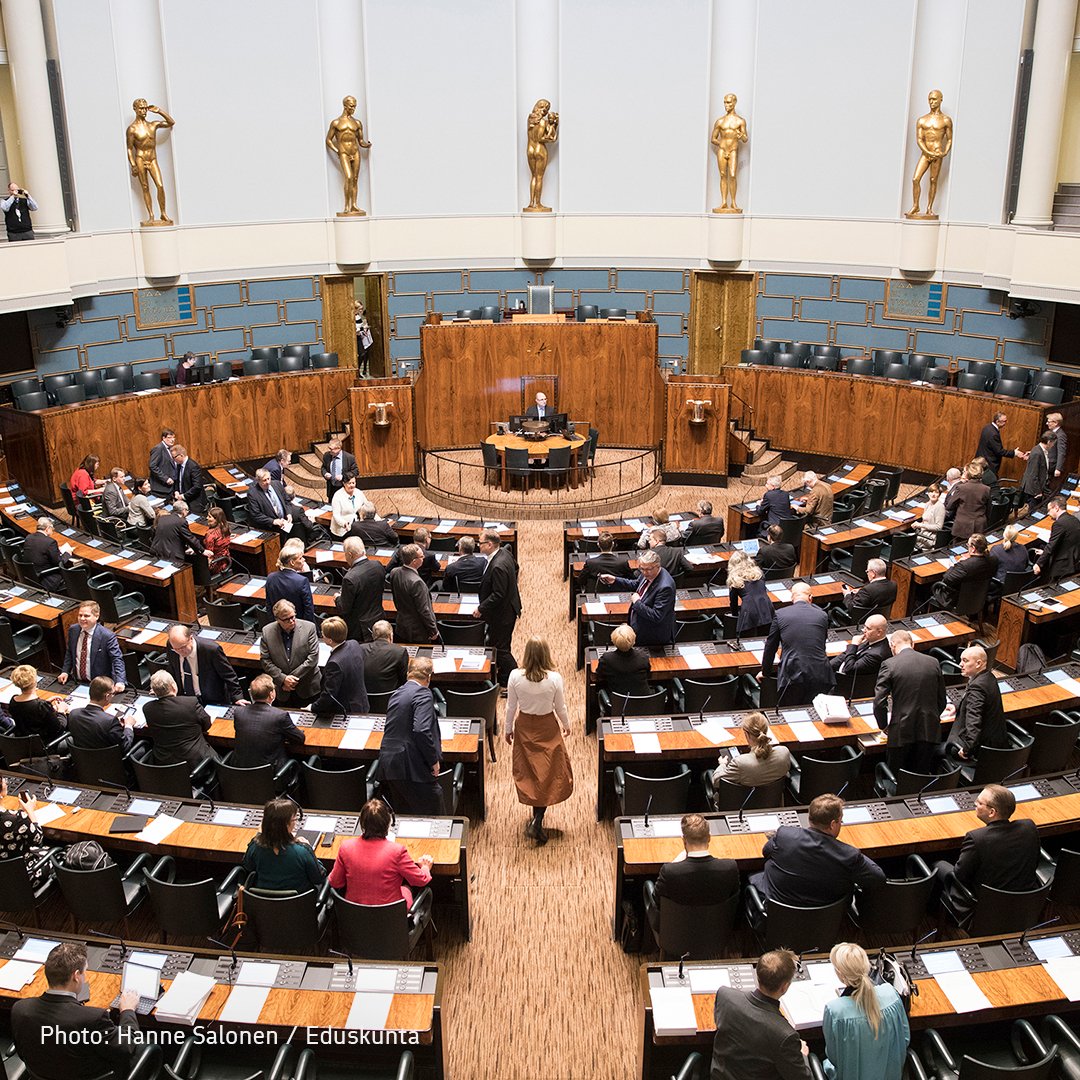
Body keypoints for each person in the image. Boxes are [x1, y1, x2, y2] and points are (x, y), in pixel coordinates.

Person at [12, 941, 142, 1080]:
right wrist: (127, 1010)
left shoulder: (20, 1009)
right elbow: (126, 1046)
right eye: (84, 972)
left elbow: (22, 1053)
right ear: (76, 976)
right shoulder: (93, 1018)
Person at [752, 793, 885, 907]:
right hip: (826, 919)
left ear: (809, 817)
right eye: (840, 821)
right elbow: (878, 878)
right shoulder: (848, 855)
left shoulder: (784, 835)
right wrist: (852, 852)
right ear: (833, 824)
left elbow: (766, 852)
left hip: (780, 912)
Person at [934, 784, 1040, 922]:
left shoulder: (977, 838)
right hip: (1024, 903)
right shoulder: (1029, 826)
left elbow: (960, 875)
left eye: (979, 803)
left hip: (986, 909)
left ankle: (936, 916)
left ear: (992, 812)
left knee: (938, 863)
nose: (975, 804)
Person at [506, 637, 573, 844]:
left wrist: (508, 729)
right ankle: (538, 818)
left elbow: (511, 707)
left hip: (525, 726)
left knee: (530, 772)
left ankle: (537, 818)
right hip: (547, 727)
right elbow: (560, 707)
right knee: (547, 772)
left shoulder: (515, 676)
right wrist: (567, 724)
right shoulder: (554, 678)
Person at [711, 948, 811, 1080]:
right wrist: (803, 1055)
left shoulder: (725, 995)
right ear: (784, 987)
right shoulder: (785, 1035)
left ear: (757, 975)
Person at [822, 942, 910, 1080]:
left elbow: (834, 1057)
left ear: (840, 973)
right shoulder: (891, 993)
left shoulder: (835, 1010)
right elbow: (904, 1038)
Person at [644, 813, 739, 936]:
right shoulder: (730, 867)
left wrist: (675, 864)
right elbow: (734, 900)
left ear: (683, 841)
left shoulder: (670, 872)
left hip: (676, 934)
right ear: (709, 838)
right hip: (715, 931)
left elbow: (657, 901)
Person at [329, 798, 434, 907]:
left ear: (362, 823)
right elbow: (421, 880)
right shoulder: (397, 851)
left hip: (354, 916)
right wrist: (425, 867)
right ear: (387, 823)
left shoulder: (346, 847)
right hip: (390, 918)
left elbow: (335, 882)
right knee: (406, 889)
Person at [873, 629, 946, 774]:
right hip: (929, 730)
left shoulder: (889, 664)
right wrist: (932, 717)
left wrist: (884, 726)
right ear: (912, 644)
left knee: (897, 776)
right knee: (920, 776)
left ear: (892, 645)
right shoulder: (933, 662)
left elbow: (879, 701)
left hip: (901, 731)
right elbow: (941, 699)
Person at [378, 656, 443, 814]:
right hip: (410, 766)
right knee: (434, 813)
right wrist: (433, 760)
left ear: (409, 673)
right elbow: (421, 729)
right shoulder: (423, 693)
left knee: (404, 815)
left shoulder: (397, 693)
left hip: (390, 763)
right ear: (428, 677)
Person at [760, 582, 834, 706]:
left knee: (790, 712)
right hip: (820, 674)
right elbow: (821, 644)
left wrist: (765, 672)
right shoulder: (822, 615)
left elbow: (770, 647)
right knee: (816, 714)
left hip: (792, 675)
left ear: (792, 598)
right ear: (810, 598)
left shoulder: (780, 614)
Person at [242, 797, 326, 892]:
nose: (295, 823)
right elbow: (319, 877)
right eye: (294, 819)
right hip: (298, 904)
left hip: (263, 903)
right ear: (286, 825)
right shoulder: (303, 850)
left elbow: (248, 866)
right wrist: (310, 850)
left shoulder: (255, 845)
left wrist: (259, 835)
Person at [941, 644, 1006, 760]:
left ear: (979, 663)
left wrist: (967, 750)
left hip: (979, 748)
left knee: (934, 749)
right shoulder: (988, 677)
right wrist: (956, 705)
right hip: (994, 739)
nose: (960, 664)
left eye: (965, 661)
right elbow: (974, 701)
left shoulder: (977, 687)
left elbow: (974, 721)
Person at [599, 549, 676, 647]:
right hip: (640, 625)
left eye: (648, 569)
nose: (644, 572)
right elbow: (636, 584)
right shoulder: (649, 573)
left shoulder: (665, 587)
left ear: (657, 566)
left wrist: (637, 602)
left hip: (652, 635)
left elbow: (656, 616)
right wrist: (615, 580)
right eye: (642, 569)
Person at [142, 669, 217, 767]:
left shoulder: (148, 708)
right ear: (173, 686)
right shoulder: (190, 703)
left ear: (154, 691)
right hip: (195, 764)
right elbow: (207, 725)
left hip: (164, 764)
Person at [476, 528, 523, 685]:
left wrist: (481, 608)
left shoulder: (497, 566)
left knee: (500, 650)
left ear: (489, 544)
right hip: (508, 607)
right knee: (503, 644)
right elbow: (516, 568)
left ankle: (518, 678)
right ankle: (504, 678)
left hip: (502, 613)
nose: (478, 545)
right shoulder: (505, 552)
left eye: (480, 543)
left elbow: (498, 594)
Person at [231, 674, 305, 769]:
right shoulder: (280, 716)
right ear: (271, 694)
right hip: (270, 774)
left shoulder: (239, 712)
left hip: (240, 772)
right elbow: (299, 738)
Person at [260, 599, 322, 707]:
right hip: (282, 691)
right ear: (277, 619)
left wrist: (289, 680)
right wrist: (282, 679)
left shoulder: (309, 628)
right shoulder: (267, 632)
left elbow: (313, 658)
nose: (292, 621)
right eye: (286, 619)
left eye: (293, 616)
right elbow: (265, 660)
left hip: (308, 688)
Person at [166, 623, 242, 707]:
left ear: (191, 638)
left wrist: (238, 697)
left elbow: (228, 675)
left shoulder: (211, 650)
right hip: (185, 699)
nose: (180, 652)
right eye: (176, 649)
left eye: (183, 647)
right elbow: (172, 669)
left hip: (211, 700)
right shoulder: (171, 646)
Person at [126, 98, 175, 225]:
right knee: (145, 187)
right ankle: (151, 215)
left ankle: (163, 213)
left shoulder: (152, 125)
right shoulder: (132, 129)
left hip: (152, 159)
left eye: (145, 108)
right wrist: (133, 165)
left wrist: (159, 111)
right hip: (140, 158)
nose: (144, 111)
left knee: (160, 185)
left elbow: (171, 122)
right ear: (135, 109)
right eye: (141, 108)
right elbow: (129, 149)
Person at [58, 600, 126, 690]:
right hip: (77, 682)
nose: (82, 619)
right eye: (80, 615)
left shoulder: (107, 636)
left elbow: (117, 659)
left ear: (97, 616)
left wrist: (120, 681)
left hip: (99, 685)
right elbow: (70, 652)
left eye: (86, 616)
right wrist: (65, 671)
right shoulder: (73, 630)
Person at [714, 710, 791, 789]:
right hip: (775, 800)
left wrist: (722, 764)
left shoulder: (740, 763)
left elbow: (716, 782)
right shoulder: (783, 752)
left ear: (746, 734)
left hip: (743, 801)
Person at [907, 89, 953, 218]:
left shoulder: (945, 120)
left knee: (933, 180)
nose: (931, 102)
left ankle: (929, 208)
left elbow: (949, 139)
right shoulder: (922, 120)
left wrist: (944, 152)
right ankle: (916, 205)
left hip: (937, 153)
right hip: (926, 153)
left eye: (934, 99)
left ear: (940, 100)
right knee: (915, 179)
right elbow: (919, 139)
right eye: (929, 99)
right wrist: (926, 151)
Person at [311, 616, 369, 714]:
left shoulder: (334, 664)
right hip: (361, 702)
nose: (322, 635)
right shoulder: (354, 644)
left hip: (347, 709)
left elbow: (329, 694)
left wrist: (313, 707)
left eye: (323, 634)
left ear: (330, 640)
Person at [325, 95, 372, 216]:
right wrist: (337, 151)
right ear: (345, 105)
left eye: (355, 106)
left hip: (355, 152)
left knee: (355, 179)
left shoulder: (357, 123)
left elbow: (360, 140)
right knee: (349, 177)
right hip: (344, 152)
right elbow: (328, 140)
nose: (353, 108)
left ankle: (354, 205)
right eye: (351, 106)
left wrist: (366, 145)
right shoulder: (336, 122)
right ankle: (346, 206)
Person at [0, 777, 48, 884]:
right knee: (55, 852)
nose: (6, 783)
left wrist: (22, 812)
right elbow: (38, 839)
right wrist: (30, 811)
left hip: (3, 881)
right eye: (4, 781)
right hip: (23, 878)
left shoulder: (16, 818)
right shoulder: (17, 819)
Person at [337, 535, 385, 642]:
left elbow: (344, 608)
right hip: (379, 619)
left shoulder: (349, 578)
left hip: (360, 630)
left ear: (350, 554)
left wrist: (337, 598)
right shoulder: (378, 565)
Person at [932, 532, 998, 611]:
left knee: (930, 587)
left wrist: (955, 565)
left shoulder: (965, 566)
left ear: (973, 548)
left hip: (958, 600)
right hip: (980, 598)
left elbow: (947, 579)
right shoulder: (993, 560)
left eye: (968, 545)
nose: (968, 548)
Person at [67, 676, 134, 751]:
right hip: (108, 761)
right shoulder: (110, 721)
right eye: (113, 694)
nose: (113, 696)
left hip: (81, 759)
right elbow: (125, 746)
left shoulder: (73, 714)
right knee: (143, 749)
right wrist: (128, 726)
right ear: (107, 696)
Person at [390, 543, 440, 643]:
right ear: (414, 561)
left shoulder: (394, 572)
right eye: (421, 556)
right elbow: (424, 611)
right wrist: (433, 631)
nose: (424, 557)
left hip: (401, 625)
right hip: (417, 631)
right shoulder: (417, 582)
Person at [246, 467, 311, 543]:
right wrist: (273, 521)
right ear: (258, 481)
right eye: (264, 480)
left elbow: (287, 501)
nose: (268, 482)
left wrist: (289, 513)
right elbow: (256, 515)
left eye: (268, 479)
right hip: (270, 530)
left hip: (285, 525)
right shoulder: (253, 494)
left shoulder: (277, 484)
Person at [6, 664, 66, 742]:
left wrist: (46, 702)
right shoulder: (41, 706)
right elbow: (59, 729)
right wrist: (61, 711)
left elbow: (29, 711)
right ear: (35, 681)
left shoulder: (13, 700)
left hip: (23, 744)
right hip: (44, 745)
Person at [711, 93, 749, 212]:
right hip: (722, 150)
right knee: (723, 175)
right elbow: (713, 138)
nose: (726, 105)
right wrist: (721, 144)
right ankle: (723, 202)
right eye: (725, 102)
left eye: (729, 102)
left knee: (732, 175)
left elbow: (745, 139)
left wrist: (741, 135)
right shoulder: (720, 121)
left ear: (734, 103)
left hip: (733, 149)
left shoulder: (740, 121)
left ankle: (733, 202)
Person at [265, 537, 316, 625]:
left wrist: (275, 624)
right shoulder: (302, 581)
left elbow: (269, 606)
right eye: (300, 558)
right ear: (292, 562)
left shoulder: (270, 578)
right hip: (298, 624)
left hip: (279, 623)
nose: (304, 560)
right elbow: (309, 610)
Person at [595, 623, 651, 699]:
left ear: (613, 641)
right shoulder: (643, 657)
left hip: (619, 705)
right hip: (645, 704)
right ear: (633, 641)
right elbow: (648, 675)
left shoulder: (607, 659)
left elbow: (599, 675)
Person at [831, 614, 890, 683]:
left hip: (848, 684)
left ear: (879, 632)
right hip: (839, 674)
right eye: (864, 626)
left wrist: (854, 645)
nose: (864, 630)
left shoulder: (877, 655)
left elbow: (849, 669)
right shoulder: (870, 640)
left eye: (868, 628)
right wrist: (828, 666)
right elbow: (846, 654)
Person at [727, 549, 773, 636]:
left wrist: (735, 616)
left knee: (748, 638)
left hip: (749, 608)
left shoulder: (734, 579)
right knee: (766, 635)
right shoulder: (759, 573)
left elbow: (733, 602)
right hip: (766, 605)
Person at [1034, 495, 1080, 580]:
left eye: (1049, 510)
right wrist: (1044, 552)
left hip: (1061, 567)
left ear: (1056, 508)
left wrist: (1039, 564)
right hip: (1074, 564)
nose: (1048, 513)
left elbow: (1051, 546)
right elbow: (1065, 543)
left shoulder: (1059, 524)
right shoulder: (1074, 520)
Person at [524, 98, 558, 212]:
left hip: (530, 149)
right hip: (540, 149)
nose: (547, 111)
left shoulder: (530, 120)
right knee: (539, 177)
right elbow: (542, 138)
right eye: (546, 108)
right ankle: (538, 204)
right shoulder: (543, 122)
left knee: (533, 176)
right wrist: (553, 130)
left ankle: (531, 203)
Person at [842, 558, 897, 624]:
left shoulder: (867, 590)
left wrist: (847, 594)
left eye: (867, 571)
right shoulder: (893, 585)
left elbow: (852, 608)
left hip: (863, 621)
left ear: (873, 573)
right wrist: (860, 591)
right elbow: (876, 590)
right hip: (882, 620)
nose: (867, 574)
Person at [945, 462, 990, 541]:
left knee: (958, 550)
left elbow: (950, 506)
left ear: (968, 473)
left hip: (962, 526)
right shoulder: (986, 489)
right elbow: (988, 508)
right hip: (979, 526)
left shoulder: (961, 488)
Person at [974, 410, 1025, 480]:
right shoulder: (993, 433)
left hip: (982, 460)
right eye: (1004, 421)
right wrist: (1014, 453)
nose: (1005, 423)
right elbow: (999, 451)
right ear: (997, 421)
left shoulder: (987, 427)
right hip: (989, 463)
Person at [23, 516, 68, 591]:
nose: (53, 531)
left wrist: (56, 550)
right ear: (47, 529)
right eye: (52, 529)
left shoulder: (29, 537)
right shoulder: (50, 542)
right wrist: (67, 553)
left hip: (31, 575)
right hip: (47, 578)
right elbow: (58, 562)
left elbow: (40, 551)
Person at [1019, 431, 1056, 514]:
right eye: (1053, 443)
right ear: (1049, 442)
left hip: (1039, 486)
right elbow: (1033, 475)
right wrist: (1037, 491)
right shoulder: (1037, 453)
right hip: (1033, 489)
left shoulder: (1039, 451)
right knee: (1033, 512)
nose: (1053, 445)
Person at [170, 444, 207, 513]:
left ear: (181, 455)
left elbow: (197, 486)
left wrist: (183, 496)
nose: (173, 460)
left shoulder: (193, 467)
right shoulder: (178, 465)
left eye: (174, 457)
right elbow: (178, 481)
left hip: (195, 502)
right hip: (182, 501)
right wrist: (176, 491)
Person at [321, 437, 357, 502]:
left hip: (344, 487)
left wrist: (343, 477)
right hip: (331, 488)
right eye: (330, 448)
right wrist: (325, 473)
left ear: (339, 448)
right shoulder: (327, 456)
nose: (330, 451)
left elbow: (355, 471)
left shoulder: (349, 458)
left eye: (333, 449)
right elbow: (323, 467)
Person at [330, 473, 365, 538]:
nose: (352, 485)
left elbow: (367, 507)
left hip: (355, 527)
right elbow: (336, 515)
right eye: (349, 483)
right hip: (341, 531)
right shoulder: (337, 496)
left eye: (353, 483)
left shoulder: (359, 492)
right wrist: (344, 524)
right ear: (344, 483)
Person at [914, 483, 947, 551]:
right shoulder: (927, 504)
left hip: (930, 538)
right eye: (931, 492)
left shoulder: (940, 507)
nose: (933, 494)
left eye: (936, 492)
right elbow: (925, 521)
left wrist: (920, 525)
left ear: (939, 494)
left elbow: (938, 527)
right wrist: (917, 525)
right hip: (922, 534)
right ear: (928, 493)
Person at [203, 506, 232, 576]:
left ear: (216, 519)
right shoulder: (226, 528)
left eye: (209, 517)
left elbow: (209, 554)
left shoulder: (211, 534)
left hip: (216, 564)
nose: (207, 518)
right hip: (226, 560)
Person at [148, 428, 177, 498]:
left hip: (170, 487)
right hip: (161, 488)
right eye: (169, 438)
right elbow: (152, 466)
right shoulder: (158, 448)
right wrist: (165, 478)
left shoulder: (170, 448)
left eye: (173, 437)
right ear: (163, 438)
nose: (172, 440)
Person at [1046, 411, 1068, 484]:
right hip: (1046, 463)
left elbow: (1061, 452)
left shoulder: (1061, 435)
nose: (1047, 423)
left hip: (1051, 465)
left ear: (1056, 423)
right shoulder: (1052, 432)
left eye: (1049, 422)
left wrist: (1058, 468)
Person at [354, 301, 373, 376]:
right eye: (360, 309)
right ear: (355, 309)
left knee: (363, 354)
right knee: (361, 354)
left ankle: (358, 371)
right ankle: (356, 371)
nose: (361, 311)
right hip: (355, 337)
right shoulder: (354, 317)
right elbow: (355, 329)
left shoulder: (358, 317)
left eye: (362, 309)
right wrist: (363, 328)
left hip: (359, 337)